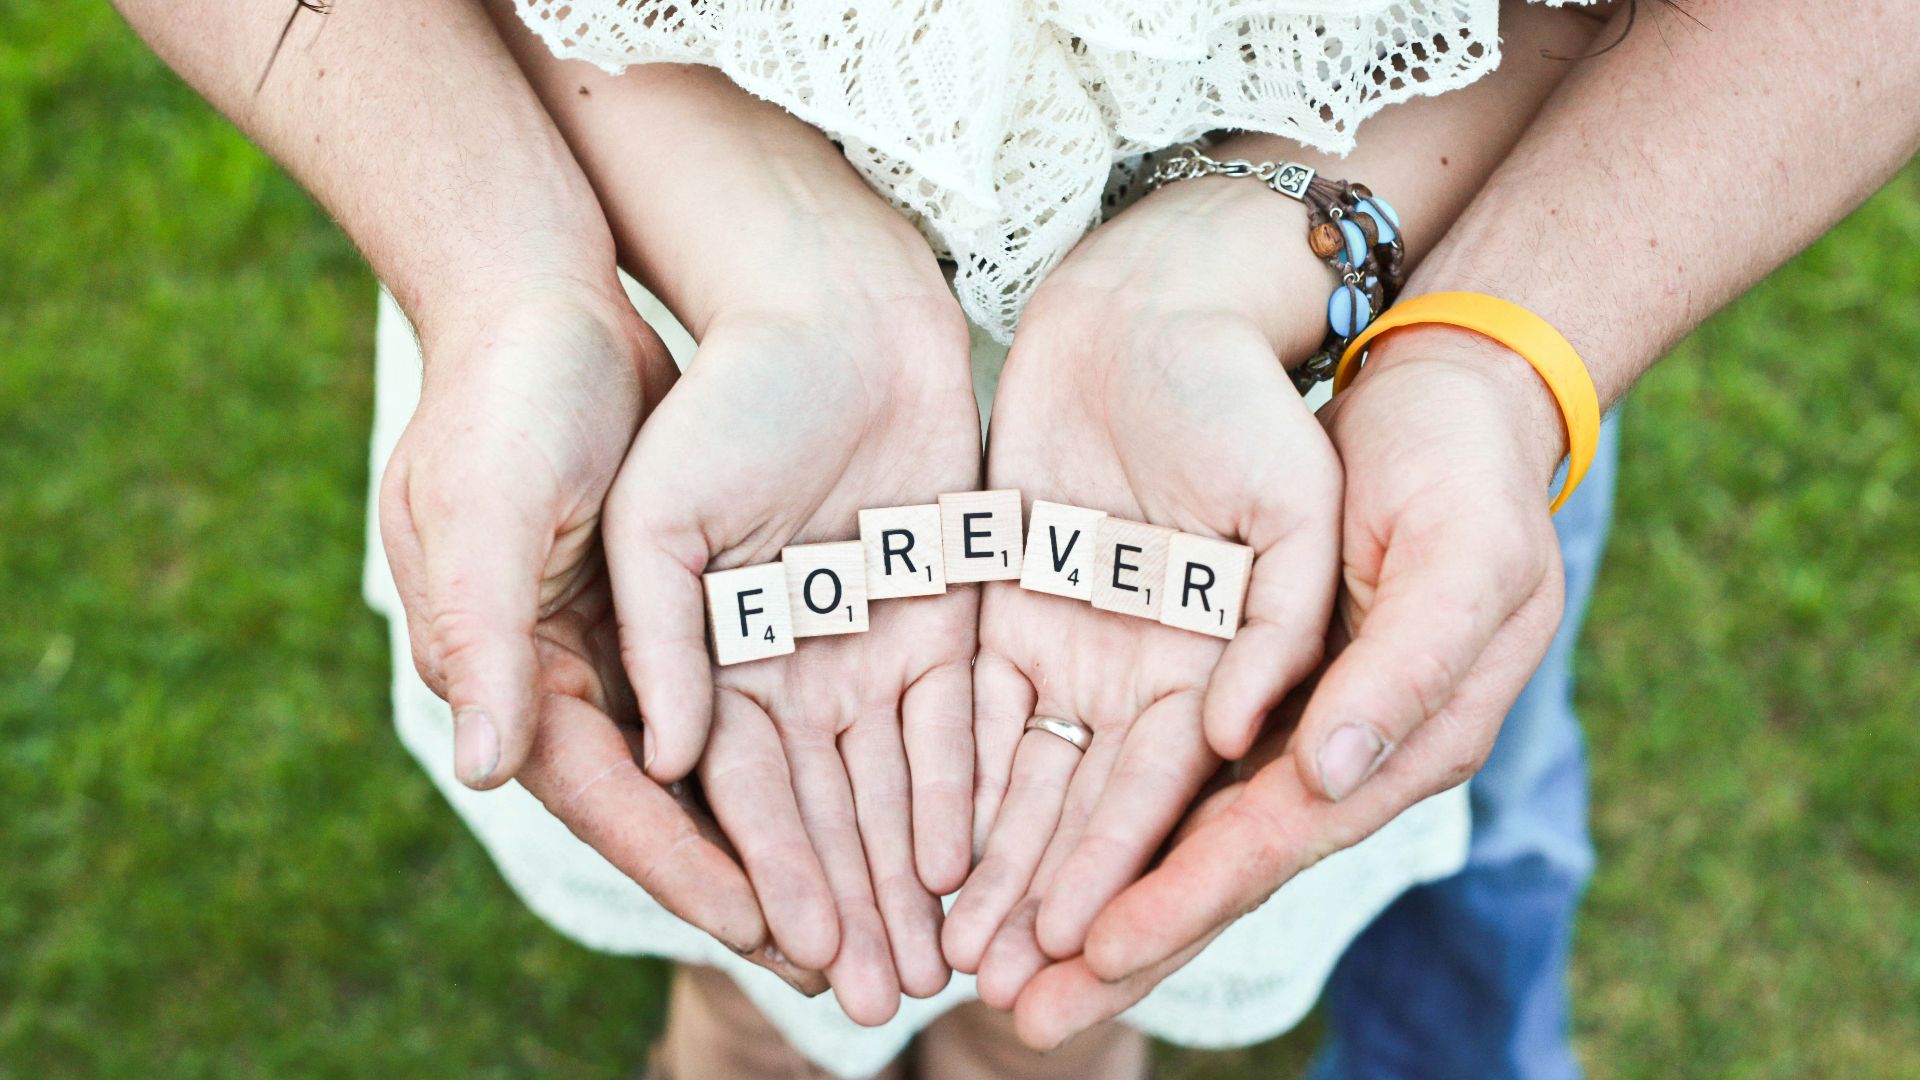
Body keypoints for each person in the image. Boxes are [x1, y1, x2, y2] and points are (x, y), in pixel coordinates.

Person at [111, 0, 1920, 1077]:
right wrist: (505, 266)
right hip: (663, 277)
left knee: (1070, 1001)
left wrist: (1496, 351)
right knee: (759, 999)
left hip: (1341, 329)